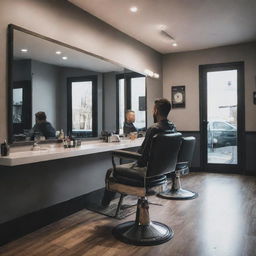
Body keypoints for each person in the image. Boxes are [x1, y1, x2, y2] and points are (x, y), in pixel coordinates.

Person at [101, 98, 177, 207]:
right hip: (161, 173)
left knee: (110, 171)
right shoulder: (173, 128)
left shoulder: (154, 129)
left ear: (156, 111)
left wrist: (133, 161)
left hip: (147, 174)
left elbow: (142, 156)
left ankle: (104, 207)